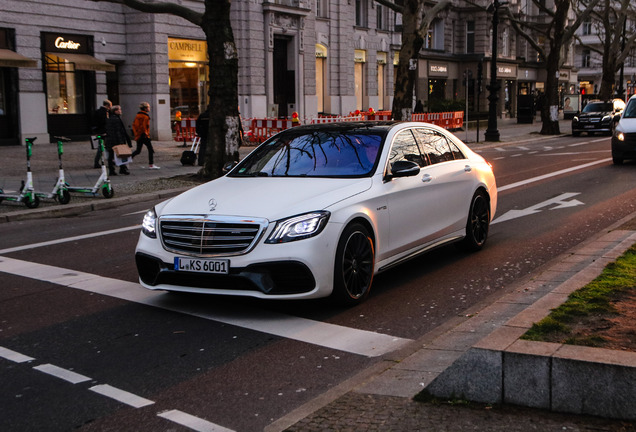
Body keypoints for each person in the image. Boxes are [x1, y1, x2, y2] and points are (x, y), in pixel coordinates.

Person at [105, 105, 132, 176]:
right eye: (119, 110)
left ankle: (114, 170)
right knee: (120, 154)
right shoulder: (116, 119)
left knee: (111, 156)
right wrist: (121, 142)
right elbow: (118, 131)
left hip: (110, 139)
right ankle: (121, 169)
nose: (121, 111)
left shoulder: (111, 118)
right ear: (115, 111)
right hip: (115, 140)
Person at [132, 102, 159, 169]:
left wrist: (136, 134)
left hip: (138, 135)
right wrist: (146, 134)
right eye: (148, 107)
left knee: (138, 151)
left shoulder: (138, 115)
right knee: (150, 149)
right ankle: (151, 164)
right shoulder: (145, 116)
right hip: (144, 135)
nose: (149, 108)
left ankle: (126, 160)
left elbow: (134, 125)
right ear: (145, 108)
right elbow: (144, 127)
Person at [92, 99, 111, 168]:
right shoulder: (105, 113)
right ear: (108, 106)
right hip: (103, 132)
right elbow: (105, 123)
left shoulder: (97, 111)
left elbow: (94, 122)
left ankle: (97, 162)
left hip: (99, 131)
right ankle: (98, 162)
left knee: (101, 147)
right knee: (104, 147)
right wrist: (105, 131)